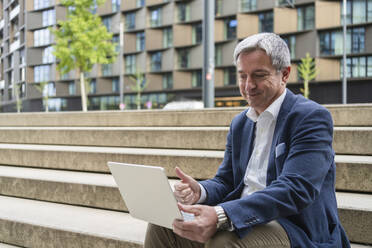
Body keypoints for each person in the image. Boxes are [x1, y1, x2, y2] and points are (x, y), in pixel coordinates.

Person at [144, 33, 350, 248]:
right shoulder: (241, 123)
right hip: (239, 215)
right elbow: (226, 181)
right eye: (242, 76)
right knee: (166, 225)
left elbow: (296, 188)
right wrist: (201, 191)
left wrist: (222, 214)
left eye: (259, 75)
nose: (249, 85)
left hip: (293, 226)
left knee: (225, 242)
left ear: (285, 74)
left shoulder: (310, 117)